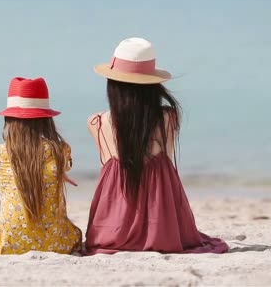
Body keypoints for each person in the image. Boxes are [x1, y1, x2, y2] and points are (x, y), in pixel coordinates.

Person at [84, 37, 229, 255]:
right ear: (152, 85)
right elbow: (166, 162)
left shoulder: (96, 122)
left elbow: (107, 164)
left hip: (110, 229)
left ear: (112, 85)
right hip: (161, 227)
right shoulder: (168, 117)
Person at [0, 77, 82, 255]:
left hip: (8, 240)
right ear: (46, 119)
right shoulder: (60, 151)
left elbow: (21, 169)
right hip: (57, 242)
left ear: (9, 119)